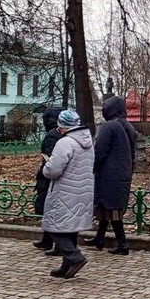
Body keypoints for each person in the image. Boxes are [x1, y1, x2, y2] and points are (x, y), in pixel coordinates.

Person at [42, 109, 94, 279]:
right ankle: (66, 264)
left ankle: (74, 257)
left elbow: (53, 170)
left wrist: (46, 164)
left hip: (65, 191)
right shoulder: (87, 141)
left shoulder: (65, 143)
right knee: (70, 228)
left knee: (53, 227)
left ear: (62, 126)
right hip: (82, 191)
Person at [86, 95, 136, 255]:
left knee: (111, 207)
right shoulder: (128, 126)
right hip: (122, 172)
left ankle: (122, 243)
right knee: (106, 206)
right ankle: (100, 238)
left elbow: (100, 151)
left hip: (109, 173)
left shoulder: (109, 127)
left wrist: (92, 167)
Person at [32, 106, 64, 254]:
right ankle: (47, 240)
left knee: (51, 209)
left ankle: (56, 244)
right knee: (51, 209)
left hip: (50, 176)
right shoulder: (60, 133)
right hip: (56, 175)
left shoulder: (52, 135)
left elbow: (51, 158)